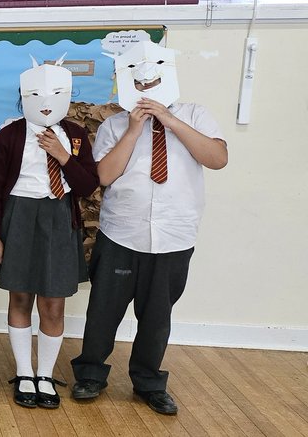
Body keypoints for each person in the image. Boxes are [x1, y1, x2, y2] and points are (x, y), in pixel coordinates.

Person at [71, 40, 228, 416]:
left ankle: (148, 382)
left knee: (157, 316)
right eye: (137, 82)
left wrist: (170, 121)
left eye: (152, 80)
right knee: (104, 310)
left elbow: (217, 158)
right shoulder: (113, 124)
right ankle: (91, 374)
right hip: (121, 233)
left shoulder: (195, 113)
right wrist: (133, 130)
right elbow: (104, 176)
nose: (145, 89)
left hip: (174, 236)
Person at [0, 60, 98, 408]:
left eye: (54, 93)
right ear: (24, 96)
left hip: (59, 218)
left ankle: (45, 375)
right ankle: (23, 372)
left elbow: (87, 184)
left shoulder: (75, 135)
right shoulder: (9, 135)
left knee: (53, 303)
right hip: (19, 217)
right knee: (20, 298)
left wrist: (63, 156)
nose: (45, 100)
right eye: (35, 93)